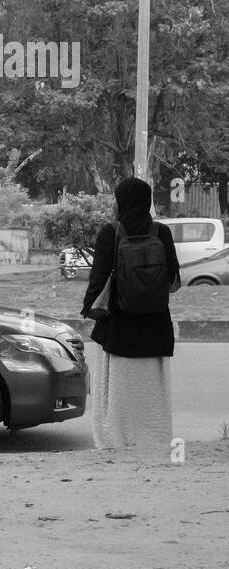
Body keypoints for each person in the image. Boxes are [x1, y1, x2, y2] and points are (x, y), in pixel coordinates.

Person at [81, 177, 181, 454]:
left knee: (117, 389)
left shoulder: (110, 232)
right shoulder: (161, 233)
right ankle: (154, 437)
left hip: (118, 326)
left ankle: (117, 438)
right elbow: (173, 280)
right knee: (152, 391)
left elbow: (98, 279)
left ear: (121, 201)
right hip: (155, 326)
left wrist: (90, 306)